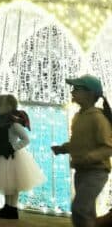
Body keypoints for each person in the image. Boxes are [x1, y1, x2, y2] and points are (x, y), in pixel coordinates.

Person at [52, 75, 112, 227]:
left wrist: (90, 157)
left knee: (80, 209)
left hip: (96, 172)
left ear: (90, 94)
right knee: (87, 211)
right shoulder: (78, 116)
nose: (72, 92)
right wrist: (64, 148)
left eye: (77, 89)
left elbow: (108, 147)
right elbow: (78, 142)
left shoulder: (98, 119)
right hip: (81, 171)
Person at [0, 94, 44, 220]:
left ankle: (13, 208)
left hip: (11, 157)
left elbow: (26, 139)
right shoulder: (0, 121)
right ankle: (7, 207)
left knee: (13, 185)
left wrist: (13, 148)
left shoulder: (14, 124)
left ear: (8, 107)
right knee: (6, 183)